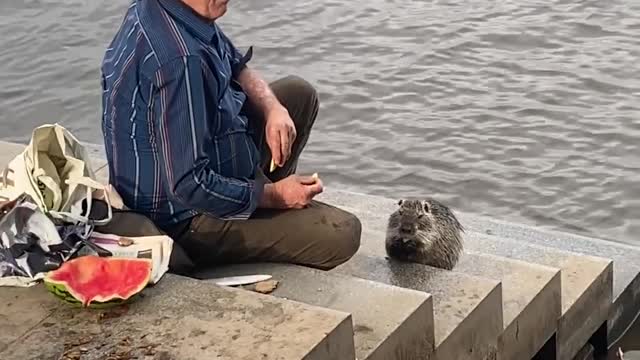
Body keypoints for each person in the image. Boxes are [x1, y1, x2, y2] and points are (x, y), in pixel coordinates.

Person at [97, 0, 361, 274]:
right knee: (344, 233)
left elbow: (236, 65)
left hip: (212, 159)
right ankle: (262, 221)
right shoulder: (180, 61)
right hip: (187, 218)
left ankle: (269, 205)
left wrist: (273, 108)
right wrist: (275, 196)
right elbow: (189, 185)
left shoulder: (166, 10)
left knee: (297, 95)